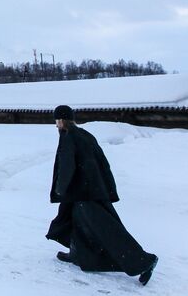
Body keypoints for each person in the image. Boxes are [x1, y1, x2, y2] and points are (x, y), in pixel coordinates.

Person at [46, 105, 158, 286]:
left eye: (56, 121)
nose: (56, 125)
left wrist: (61, 188)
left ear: (61, 120)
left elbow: (67, 165)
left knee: (106, 228)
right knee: (73, 220)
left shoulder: (68, 136)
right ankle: (76, 254)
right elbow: (102, 163)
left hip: (85, 193)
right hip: (91, 189)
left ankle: (143, 261)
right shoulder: (85, 135)